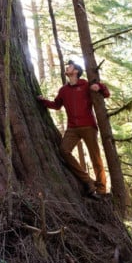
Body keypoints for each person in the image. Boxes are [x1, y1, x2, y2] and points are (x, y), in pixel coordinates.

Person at [37, 60, 110, 197]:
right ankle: (87, 180)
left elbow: (106, 94)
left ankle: (101, 189)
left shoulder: (85, 85)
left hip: (88, 126)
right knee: (64, 151)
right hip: (72, 128)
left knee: (96, 158)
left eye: (70, 66)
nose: (67, 68)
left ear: (76, 71)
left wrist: (99, 87)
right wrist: (43, 101)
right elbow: (56, 105)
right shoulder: (63, 90)